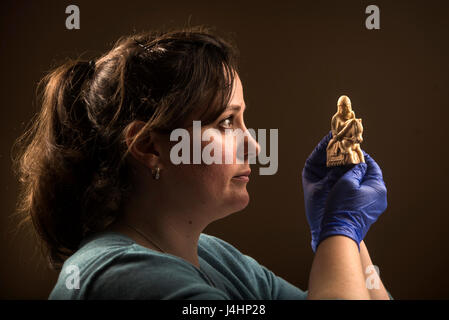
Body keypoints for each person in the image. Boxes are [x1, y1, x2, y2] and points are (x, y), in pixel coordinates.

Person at [13, 26, 392, 300]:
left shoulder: (213, 257)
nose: (255, 147)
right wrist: (339, 231)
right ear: (149, 147)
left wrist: (349, 237)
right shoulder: (121, 279)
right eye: (226, 122)